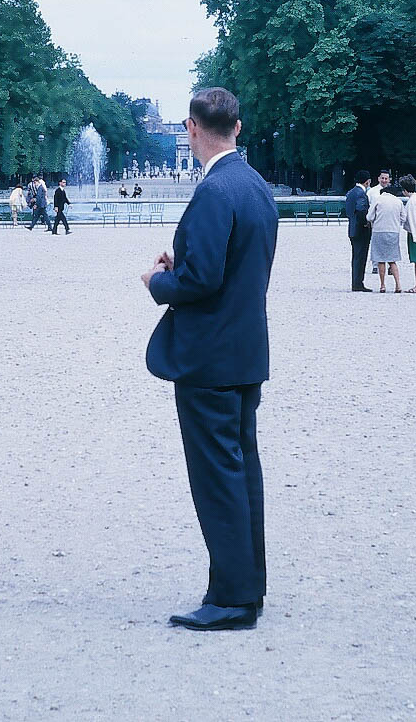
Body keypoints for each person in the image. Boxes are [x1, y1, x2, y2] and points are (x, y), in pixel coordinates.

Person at [142, 87, 277, 632]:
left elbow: (200, 281)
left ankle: (232, 600)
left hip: (210, 359)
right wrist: (187, 261)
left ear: (192, 129)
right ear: (237, 128)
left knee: (217, 478)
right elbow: (237, 266)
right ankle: (246, 587)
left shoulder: (214, 190)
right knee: (241, 474)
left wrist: (158, 280)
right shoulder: (255, 185)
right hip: (245, 351)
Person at [366, 181, 406, 292]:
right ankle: (398, 285)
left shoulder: (378, 200)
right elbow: (403, 218)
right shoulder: (398, 201)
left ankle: (383, 285)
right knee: (392, 260)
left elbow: (369, 217)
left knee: (381, 260)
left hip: (379, 231)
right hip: (393, 232)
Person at [343, 170, 372, 292]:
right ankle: (358, 283)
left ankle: (356, 282)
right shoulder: (361, 194)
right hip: (361, 230)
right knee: (361, 257)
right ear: (367, 181)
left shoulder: (351, 192)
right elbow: (361, 211)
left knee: (356, 256)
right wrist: (366, 222)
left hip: (352, 228)